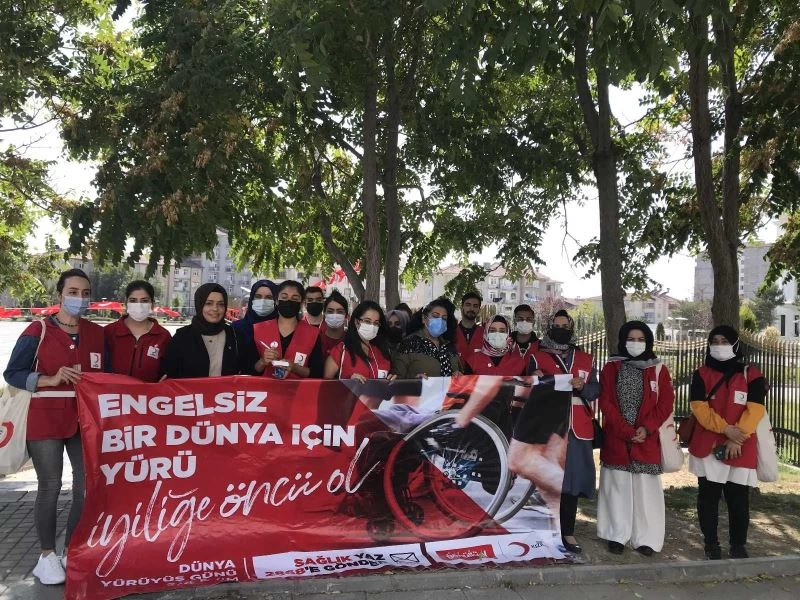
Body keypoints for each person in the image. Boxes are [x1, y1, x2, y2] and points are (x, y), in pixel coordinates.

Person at [3, 268, 105, 584]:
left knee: (86, 486)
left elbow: (106, 375)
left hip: (83, 418)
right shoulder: (39, 330)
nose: (79, 298)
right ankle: (46, 556)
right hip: (44, 417)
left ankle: (71, 549)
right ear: (60, 294)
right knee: (50, 484)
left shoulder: (96, 333)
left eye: (85, 293)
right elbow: (12, 373)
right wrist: (48, 379)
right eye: (73, 292)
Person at [688, 326, 767, 560]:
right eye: (715, 341)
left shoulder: (752, 375)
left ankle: (738, 544)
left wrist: (737, 437)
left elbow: (755, 409)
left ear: (735, 344)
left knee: (738, 499)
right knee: (708, 498)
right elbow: (699, 409)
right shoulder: (701, 374)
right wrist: (726, 430)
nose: (719, 345)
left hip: (741, 446)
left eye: (724, 341)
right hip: (709, 445)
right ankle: (711, 544)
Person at [597, 321, 674, 557]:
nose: (636, 343)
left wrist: (646, 428)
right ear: (623, 341)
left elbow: (665, 403)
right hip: (618, 438)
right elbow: (606, 402)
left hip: (646, 439)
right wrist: (626, 431)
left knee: (645, 491)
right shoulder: (611, 367)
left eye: (641, 340)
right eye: (631, 339)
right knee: (617, 488)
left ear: (648, 342)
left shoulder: (658, 369)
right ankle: (616, 535)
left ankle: (646, 539)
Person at [528, 310, 599, 554]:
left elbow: (596, 390)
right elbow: (527, 388)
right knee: (546, 479)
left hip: (578, 429)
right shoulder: (537, 357)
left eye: (565, 326)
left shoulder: (586, 358)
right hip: (548, 427)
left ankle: (567, 531)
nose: (561, 329)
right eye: (556, 326)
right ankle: (542, 531)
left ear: (572, 328)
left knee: (572, 482)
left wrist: (584, 387)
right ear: (549, 328)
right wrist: (533, 378)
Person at [162, 283, 240, 378]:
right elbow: (170, 373)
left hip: (227, 388)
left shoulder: (234, 335)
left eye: (221, 304)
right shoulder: (182, 337)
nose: (215, 308)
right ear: (199, 304)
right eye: (209, 303)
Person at [253, 280, 323, 378]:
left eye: (295, 298)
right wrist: (263, 361)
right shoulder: (258, 329)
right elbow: (250, 370)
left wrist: (294, 367)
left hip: (298, 387)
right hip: (265, 387)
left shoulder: (313, 333)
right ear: (277, 300)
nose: (289, 301)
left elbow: (317, 373)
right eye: (284, 297)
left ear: (301, 303)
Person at [104, 280, 172, 382]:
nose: (139, 305)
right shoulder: (108, 332)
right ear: (126, 303)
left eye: (144, 301)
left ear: (152, 304)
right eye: (133, 300)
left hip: (149, 392)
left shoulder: (163, 336)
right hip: (112, 392)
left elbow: (168, 373)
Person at [324, 301, 393, 383]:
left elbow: (389, 381)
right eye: (367, 321)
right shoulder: (340, 352)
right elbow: (326, 386)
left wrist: (393, 379)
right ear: (356, 322)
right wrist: (349, 382)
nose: (372, 326)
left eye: (376, 323)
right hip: (348, 392)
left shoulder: (382, 352)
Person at [393, 299, 461, 378]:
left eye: (444, 318)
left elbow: (459, 370)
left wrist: (459, 376)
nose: (440, 321)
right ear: (424, 318)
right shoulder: (408, 344)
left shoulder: (449, 345)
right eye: (435, 316)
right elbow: (396, 378)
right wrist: (414, 380)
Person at [231, 280, 278, 374]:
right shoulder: (236, 328)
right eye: (258, 297)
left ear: (275, 301)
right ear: (252, 299)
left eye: (269, 297)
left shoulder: (282, 327)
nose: (263, 301)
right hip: (243, 381)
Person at [454, 291, 484, 363]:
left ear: (479, 310)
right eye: (468, 305)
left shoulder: (484, 334)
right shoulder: (451, 333)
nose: (471, 309)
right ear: (462, 307)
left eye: (475, 306)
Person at [320, 291, 349, 359]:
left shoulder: (351, 340)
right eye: (330, 311)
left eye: (340, 312)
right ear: (324, 314)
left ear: (346, 315)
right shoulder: (317, 339)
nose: (335, 315)